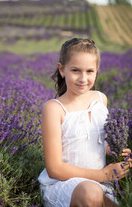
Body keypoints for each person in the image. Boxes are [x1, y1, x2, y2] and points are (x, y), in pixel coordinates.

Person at [38, 38, 132, 207]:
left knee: (101, 196)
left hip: (100, 183)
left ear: (97, 71)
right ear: (62, 69)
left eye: (89, 71)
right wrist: (104, 174)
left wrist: (118, 153)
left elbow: (99, 144)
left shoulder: (100, 99)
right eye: (76, 70)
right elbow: (55, 169)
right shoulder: (54, 109)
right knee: (90, 194)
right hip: (64, 183)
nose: (83, 78)